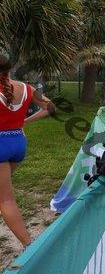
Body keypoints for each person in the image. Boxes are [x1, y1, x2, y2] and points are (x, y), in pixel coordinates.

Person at [0, 55, 55, 247]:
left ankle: (29, 246)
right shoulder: (26, 88)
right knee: (3, 192)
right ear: (10, 69)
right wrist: (23, 121)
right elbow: (50, 107)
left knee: (6, 199)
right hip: (18, 143)